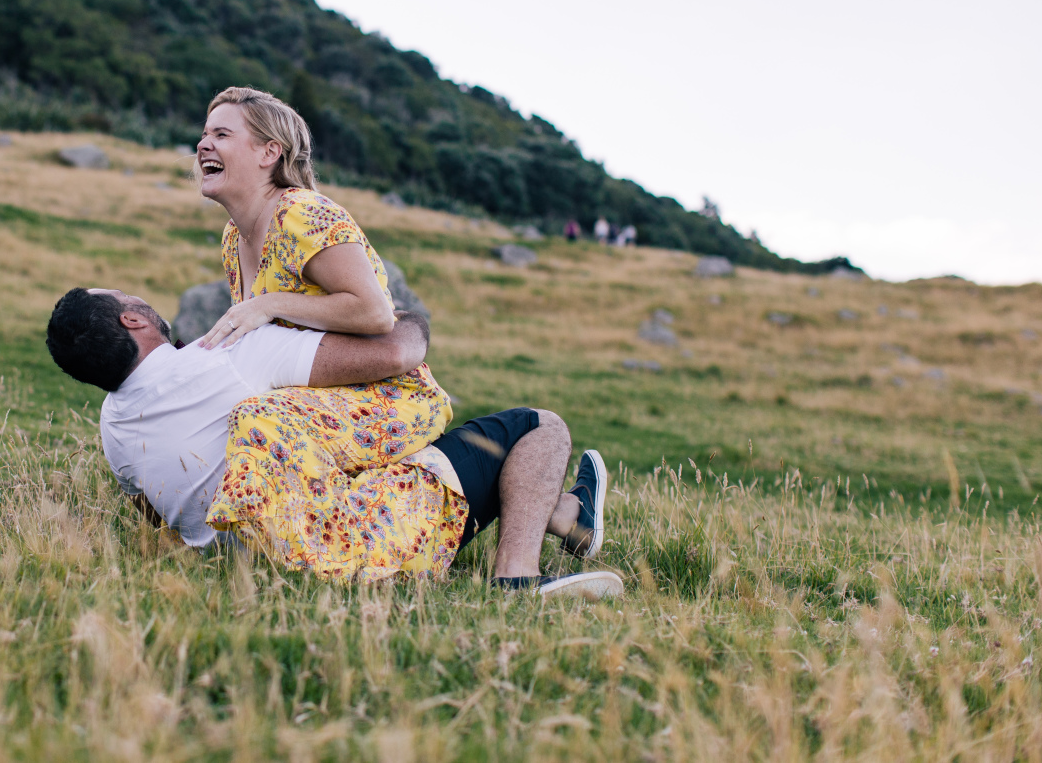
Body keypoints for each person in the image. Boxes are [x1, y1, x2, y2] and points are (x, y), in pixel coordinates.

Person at [46, 287, 622, 596]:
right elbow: (398, 353)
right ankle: (517, 579)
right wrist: (403, 313)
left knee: (359, 440)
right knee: (538, 427)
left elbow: (154, 516)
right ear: (132, 321)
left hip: (252, 567)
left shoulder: (112, 427)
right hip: (356, 540)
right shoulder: (228, 355)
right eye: (125, 294)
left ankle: (568, 517)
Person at [190, 87, 457, 568]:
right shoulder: (234, 239)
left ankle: (306, 561)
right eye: (205, 133)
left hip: (383, 396)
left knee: (258, 419)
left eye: (222, 134)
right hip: (310, 397)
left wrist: (269, 303)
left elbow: (375, 314)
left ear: (269, 153)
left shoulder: (301, 213)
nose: (204, 144)